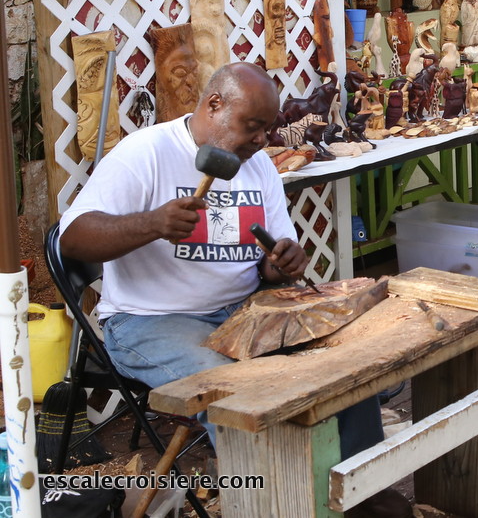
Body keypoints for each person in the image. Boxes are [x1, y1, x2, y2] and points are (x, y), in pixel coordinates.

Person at [59, 62, 410, 518]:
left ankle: (361, 492)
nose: (262, 139)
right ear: (214, 104)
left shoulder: (257, 165)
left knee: (342, 365)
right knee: (245, 396)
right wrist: (151, 223)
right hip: (151, 320)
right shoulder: (143, 153)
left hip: (244, 311)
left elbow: (272, 261)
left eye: (268, 128)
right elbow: (73, 238)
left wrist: (280, 265)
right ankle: (279, 504)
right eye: (253, 126)